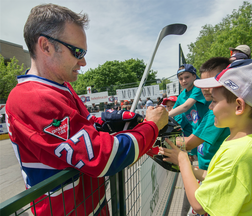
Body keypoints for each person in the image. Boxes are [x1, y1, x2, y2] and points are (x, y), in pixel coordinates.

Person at [5, 4, 168, 216]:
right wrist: (151, 126)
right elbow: (103, 156)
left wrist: (120, 122)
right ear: (45, 46)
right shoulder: (32, 97)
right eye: (77, 52)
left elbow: (88, 125)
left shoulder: (60, 86)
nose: (83, 61)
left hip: (89, 203)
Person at [160, 59, 252, 215]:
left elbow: (199, 205)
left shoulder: (238, 155)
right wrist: (189, 166)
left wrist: (182, 160)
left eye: (214, 101)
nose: (210, 106)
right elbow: (215, 176)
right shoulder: (246, 143)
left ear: (239, 106)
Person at [179, 57, 230, 216]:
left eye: (212, 84)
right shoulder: (211, 107)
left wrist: (155, 139)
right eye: (204, 85)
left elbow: (188, 144)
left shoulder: (216, 112)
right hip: (206, 172)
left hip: (213, 176)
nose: (206, 89)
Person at [170, 64, 209, 156]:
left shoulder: (198, 87)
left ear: (194, 76)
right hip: (196, 131)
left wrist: (165, 115)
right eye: (181, 79)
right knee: (201, 162)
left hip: (208, 128)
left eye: (187, 77)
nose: (184, 81)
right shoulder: (182, 95)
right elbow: (173, 112)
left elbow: (185, 107)